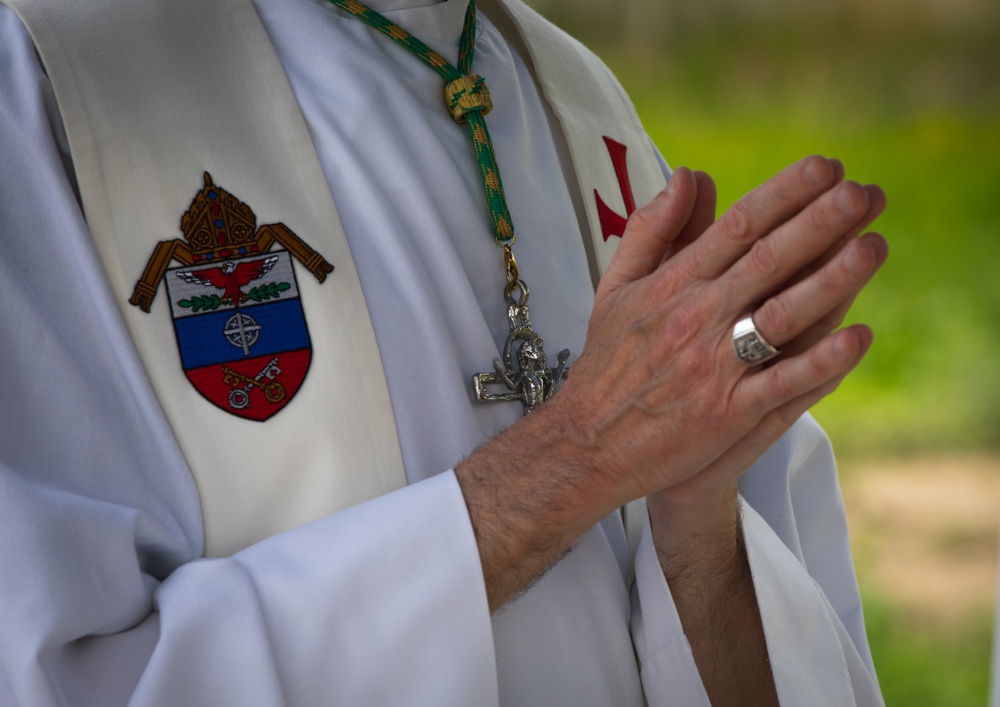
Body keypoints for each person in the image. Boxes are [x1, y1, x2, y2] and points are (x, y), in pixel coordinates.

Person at [0, 0, 887, 704]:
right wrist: (576, 458)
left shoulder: (578, 99)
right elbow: (59, 675)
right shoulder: (49, 91)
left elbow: (793, 646)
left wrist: (693, 522)